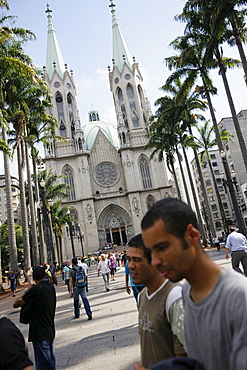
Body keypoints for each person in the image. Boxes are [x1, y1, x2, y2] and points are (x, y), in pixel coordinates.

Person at [137, 197, 247, 370]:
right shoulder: (188, 291)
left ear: (192, 235)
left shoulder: (239, 298)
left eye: (163, 247)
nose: (155, 261)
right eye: (151, 252)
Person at [127, 234, 186, 368]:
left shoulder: (176, 298)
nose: (130, 266)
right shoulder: (142, 296)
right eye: (128, 259)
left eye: (136, 260)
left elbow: (186, 361)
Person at [13, 266, 56, 370]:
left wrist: (27, 290)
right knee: (50, 361)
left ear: (34, 277)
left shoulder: (36, 289)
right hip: (50, 329)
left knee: (43, 364)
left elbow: (16, 303)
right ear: (45, 275)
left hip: (39, 331)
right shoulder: (50, 287)